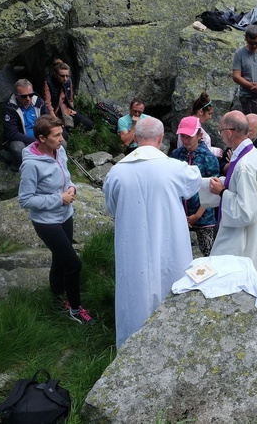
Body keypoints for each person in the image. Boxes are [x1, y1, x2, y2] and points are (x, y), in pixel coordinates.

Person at [103, 117, 201, 348]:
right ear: (160, 139)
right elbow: (194, 183)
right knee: (171, 280)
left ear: (135, 139)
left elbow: (112, 206)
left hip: (132, 240)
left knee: (134, 291)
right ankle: (173, 342)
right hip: (169, 239)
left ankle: (131, 346)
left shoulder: (117, 173)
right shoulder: (176, 169)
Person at [18, 115, 93, 325]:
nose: (62, 138)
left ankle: (58, 298)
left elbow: (66, 176)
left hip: (65, 215)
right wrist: (58, 198)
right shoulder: (31, 165)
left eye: (61, 133)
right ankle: (76, 310)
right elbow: (25, 200)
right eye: (57, 135)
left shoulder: (59, 151)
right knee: (73, 264)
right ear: (42, 138)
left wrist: (72, 188)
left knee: (60, 259)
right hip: (46, 221)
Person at [199, 111, 257, 283]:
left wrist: (222, 192)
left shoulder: (244, 165)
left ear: (229, 133)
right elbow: (241, 188)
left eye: (221, 132)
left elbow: (245, 212)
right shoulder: (252, 153)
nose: (221, 136)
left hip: (240, 240)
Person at [170, 117, 220, 256]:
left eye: (189, 136)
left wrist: (197, 215)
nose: (186, 140)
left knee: (209, 254)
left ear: (199, 135)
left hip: (203, 217)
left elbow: (212, 190)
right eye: (183, 136)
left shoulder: (208, 158)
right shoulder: (175, 155)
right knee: (178, 254)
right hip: (179, 214)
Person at [3, 79, 50, 171]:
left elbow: (48, 120)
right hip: (21, 140)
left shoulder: (39, 102)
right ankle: (17, 166)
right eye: (24, 96)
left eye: (30, 95)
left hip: (40, 137)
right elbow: (12, 133)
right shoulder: (9, 108)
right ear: (16, 95)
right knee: (18, 149)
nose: (28, 98)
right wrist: (35, 141)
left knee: (61, 143)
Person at [42, 59, 94, 130]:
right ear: (55, 75)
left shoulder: (68, 81)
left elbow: (70, 99)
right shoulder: (48, 83)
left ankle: (72, 127)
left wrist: (71, 110)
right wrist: (54, 118)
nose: (65, 79)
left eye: (67, 76)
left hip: (66, 110)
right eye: (62, 76)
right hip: (54, 112)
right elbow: (48, 104)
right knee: (63, 134)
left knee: (89, 124)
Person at [176, 92, 222, 157]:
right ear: (201, 112)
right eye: (209, 114)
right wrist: (214, 151)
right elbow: (192, 150)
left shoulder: (183, 126)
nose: (210, 117)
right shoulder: (204, 136)